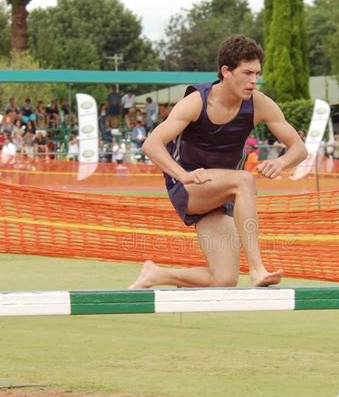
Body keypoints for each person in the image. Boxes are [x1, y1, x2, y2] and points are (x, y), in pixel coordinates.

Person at [130, 34, 307, 290]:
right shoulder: (196, 102)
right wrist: (182, 174)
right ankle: (257, 269)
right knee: (244, 180)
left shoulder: (259, 103)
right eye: (247, 73)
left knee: (224, 279)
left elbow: (299, 149)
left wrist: (281, 163)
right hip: (190, 186)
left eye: (257, 73)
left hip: (221, 194)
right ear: (226, 71)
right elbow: (151, 144)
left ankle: (156, 275)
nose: (254, 81)